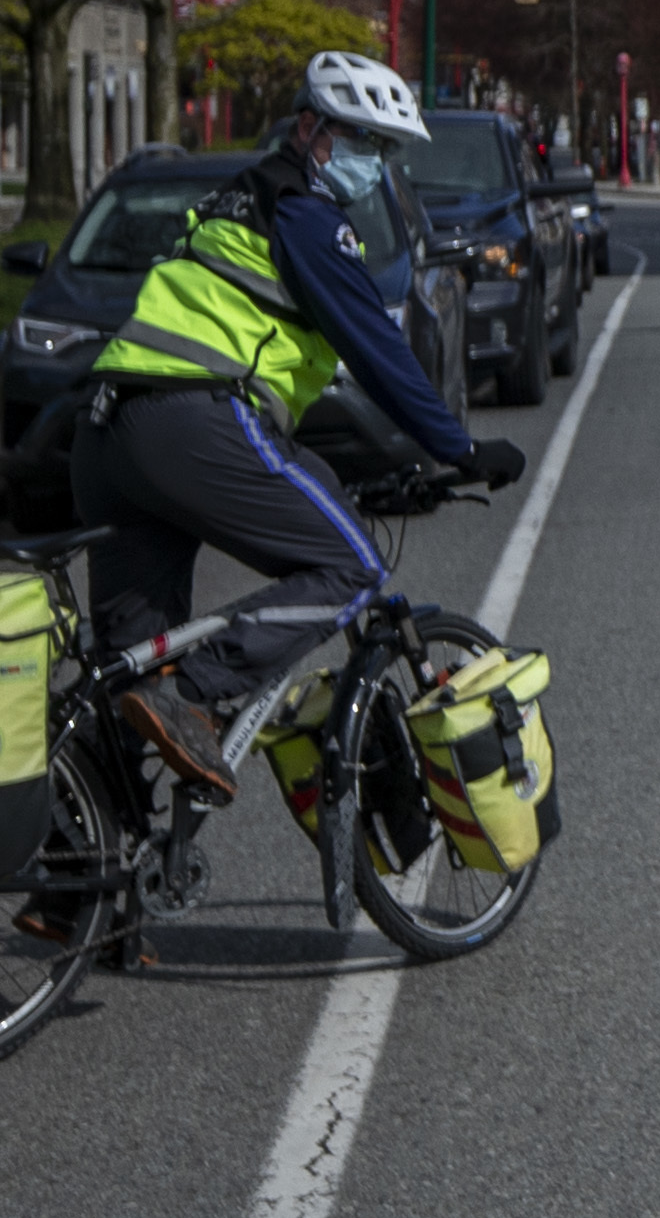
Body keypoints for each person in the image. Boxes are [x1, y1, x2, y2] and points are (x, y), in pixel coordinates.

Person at [76, 49, 524, 809]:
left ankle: (81, 897)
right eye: (363, 142)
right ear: (311, 128)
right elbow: (374, 346)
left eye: (386, 149)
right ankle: (198, 689)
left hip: (108, 434)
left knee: (127, 679)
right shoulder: (308, 218)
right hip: (194, 417)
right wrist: (460, 446)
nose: (375, 165)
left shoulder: (237, 200)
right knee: (349, 566)